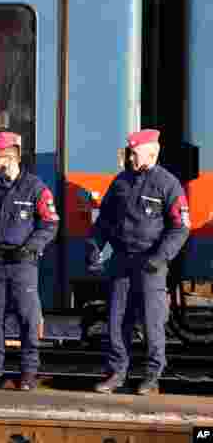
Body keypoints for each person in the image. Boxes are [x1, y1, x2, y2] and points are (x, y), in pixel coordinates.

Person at [89, 129, 190, 395]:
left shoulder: (168, 185)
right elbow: (104, 221)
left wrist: (159, 258)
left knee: (151, 323)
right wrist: (95, 245)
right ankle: (116, 373)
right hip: (121, 261)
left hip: (150, 264)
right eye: (130, 153)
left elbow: (180, 228)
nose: (130, 157)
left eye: (134, 153)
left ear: (152, 153)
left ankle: (151, 378)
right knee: (117, 321)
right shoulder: (121, 182)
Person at [0, 132, 59, 391]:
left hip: (23, 265)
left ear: (9, 157)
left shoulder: (35, 188)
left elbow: (50, 224)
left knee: (28, 319)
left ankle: (28, 373)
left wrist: (30, 249)